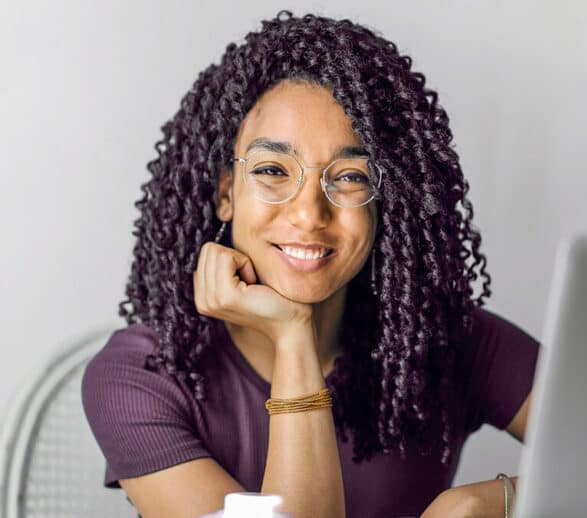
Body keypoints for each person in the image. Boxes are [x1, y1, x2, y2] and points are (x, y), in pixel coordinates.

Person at [81, 10, 540, 518]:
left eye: (349, 177)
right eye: (273, 170)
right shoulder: (140, 376)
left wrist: (490, 501)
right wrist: (293, 333)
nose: (308, 213)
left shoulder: (447, 341)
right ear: (225, 193)